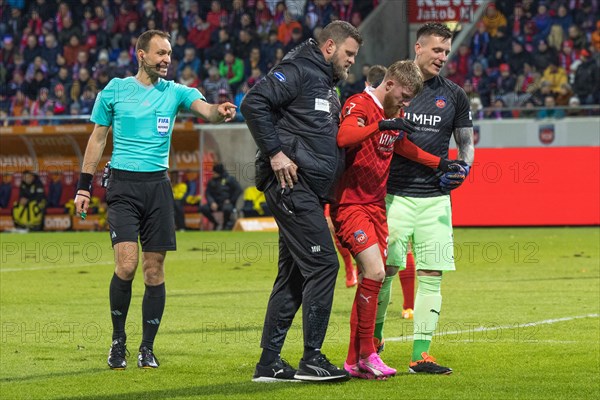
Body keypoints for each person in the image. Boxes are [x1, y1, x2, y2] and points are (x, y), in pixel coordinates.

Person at [73, 30, 236, 370]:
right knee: (127, 265)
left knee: (154, 270)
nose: (167, 60)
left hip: (158, 187)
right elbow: (97, 140)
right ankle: (119, 342)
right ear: (141, 54)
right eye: (160, 53)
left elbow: (205, 111)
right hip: (123, 185)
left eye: (170, 54)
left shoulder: (175, 91)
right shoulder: (115, 90)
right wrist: (83, 185)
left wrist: (219, 111)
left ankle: (147, 348)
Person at [241, 20, 362, 383]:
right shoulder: (299, 69)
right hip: (292, 185)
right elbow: (253, 102)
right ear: (329, 47)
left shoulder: (324, 82)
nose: (351, 62)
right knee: (324, 265)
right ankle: (312, 359)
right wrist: (276, 153)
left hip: (307, 189)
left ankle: (270, 363)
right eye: (349, 54)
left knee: (293, 277)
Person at [377, 23, 475, 375]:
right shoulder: (394, 87)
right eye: (437, 50)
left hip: (436, 198)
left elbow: (466, 143)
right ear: (418, 48)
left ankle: (421, 355)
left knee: (432, 273)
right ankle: (373, 344)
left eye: (446, 52)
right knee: (385, 271)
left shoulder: (454, 95)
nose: (442, 57)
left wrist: (463, 169)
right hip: (393, 195)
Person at [332, 60, 427, 379]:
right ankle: (369, 352)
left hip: (376, 207)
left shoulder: (393, 116)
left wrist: (440, 165)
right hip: (351, 204)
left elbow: (402, 147)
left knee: (375, 275)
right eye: (406, 95)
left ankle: (353, 360)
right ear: (390, 84)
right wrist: (380, 126)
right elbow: (344, 138)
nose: (407, 102)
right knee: (373, 271)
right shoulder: (360, 104)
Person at [199, 163, 242, 230]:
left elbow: (238, 190)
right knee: (203, 208)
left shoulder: (230, 179)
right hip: (215, 203)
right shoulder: (212, 181)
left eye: (214, 172)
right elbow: (208, 193)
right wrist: (212, 202)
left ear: (218, 172)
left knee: (227, 209)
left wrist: (231, 200)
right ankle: (215, 223)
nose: (213, 173)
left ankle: (225, 225)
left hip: (226, 203)